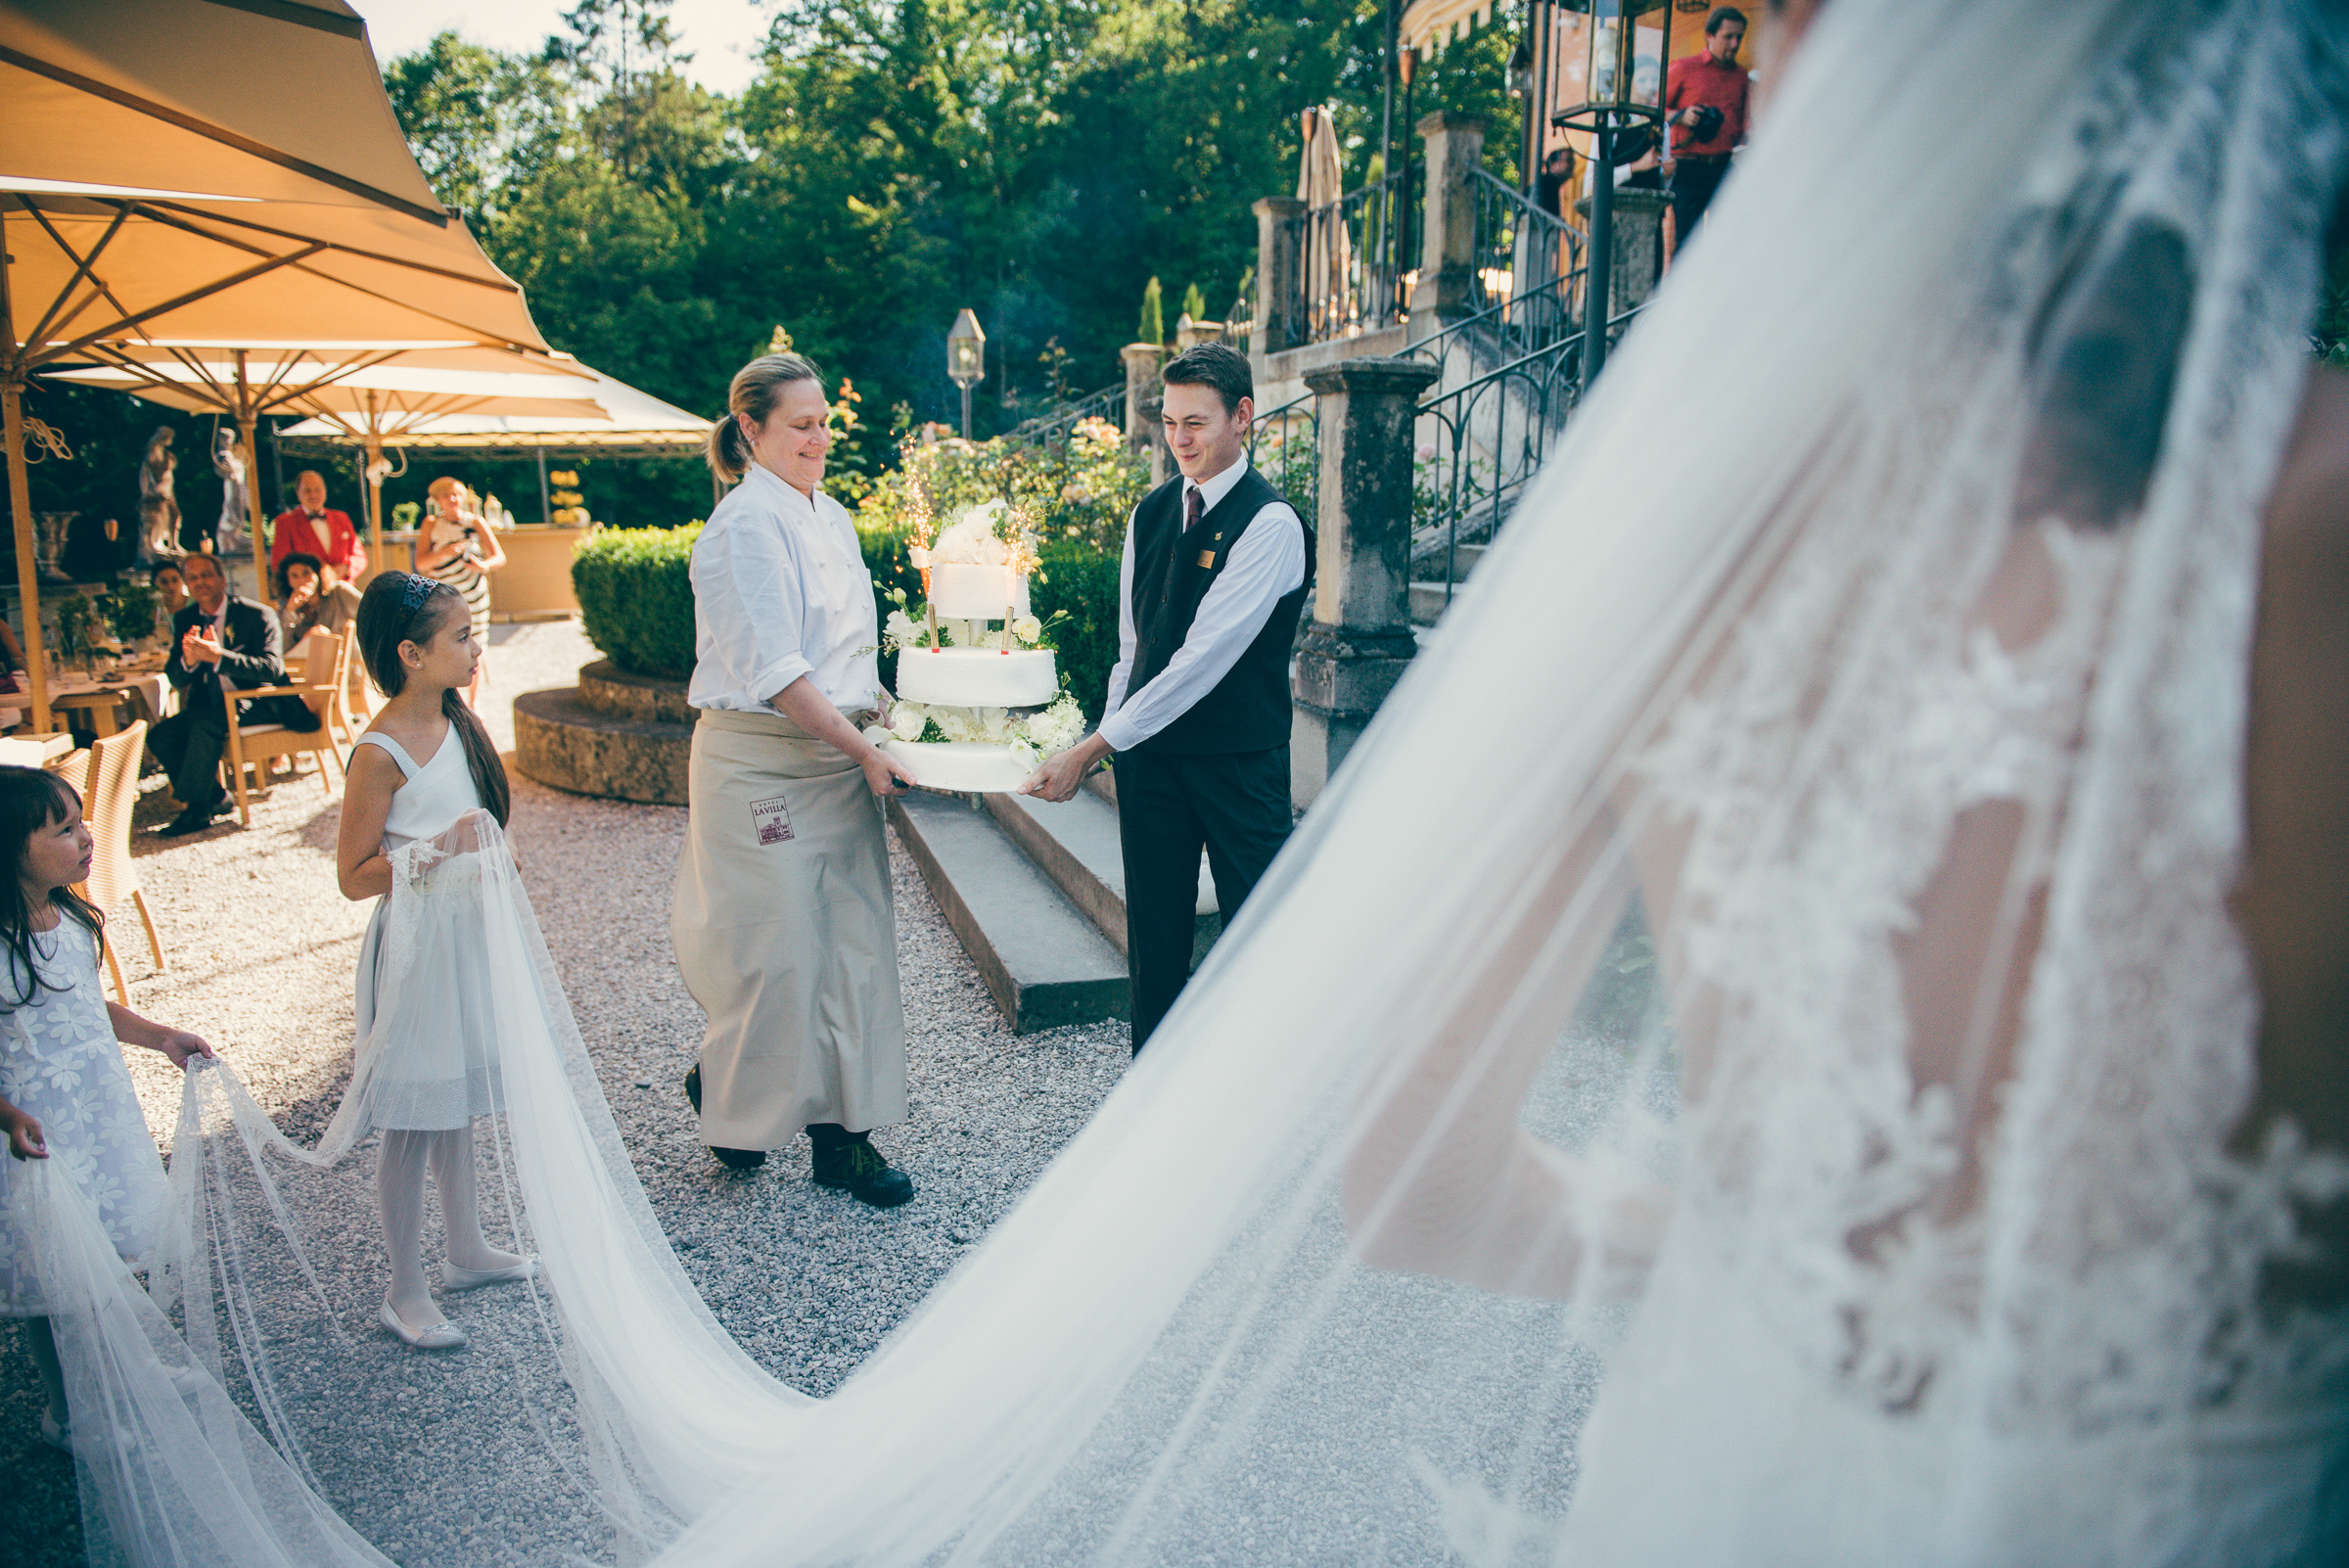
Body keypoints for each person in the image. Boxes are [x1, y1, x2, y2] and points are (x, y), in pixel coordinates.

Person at [670, 351, 916, 1203]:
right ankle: (728, 1091)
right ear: (751, 429)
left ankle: (845, 1142)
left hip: (837, 754)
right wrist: (863, 751)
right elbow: (777, 672)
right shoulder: (742, 526)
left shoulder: (834, 517)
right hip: (760, 765)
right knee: (779, 956)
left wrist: (895, 715)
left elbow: (844, 657)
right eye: (801, 425)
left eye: (824, 423)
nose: (819, 438)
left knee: (852, 949)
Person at [1023, 342, 1312, 1051]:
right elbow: (1135, 651)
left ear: (1242, 417)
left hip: (1238, 765)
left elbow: (1197, 664)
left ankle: (1257, 1085)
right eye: (1169, 421)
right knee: (1154, 942)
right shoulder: (1149, 514)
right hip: (1151, 767)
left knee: (1259, 931)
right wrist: (1111, 738)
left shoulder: (1271, 524)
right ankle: (1150, 1095)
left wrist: (1093, 747)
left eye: (1196, 423)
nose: (1178, 439)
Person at [335, 572, 533, 1349]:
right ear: (411, 653)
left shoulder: (459, 722)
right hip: (415, 948)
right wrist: (436, 850)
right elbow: (353, 877)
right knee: (414, 1118)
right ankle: (403, 1289)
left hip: (464, 936)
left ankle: (466, 1247)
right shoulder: (379, 751)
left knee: (453, 1099)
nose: (476, 647)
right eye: (461, 636)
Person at [0, 766, 214, 1450]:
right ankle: (69, 1412)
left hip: (96, 1113)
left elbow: (89, 1005)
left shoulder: (69, 915)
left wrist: (158, 1037)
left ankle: (130, 1362)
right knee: (56, 1275)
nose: (86, 837)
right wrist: (8, 1116)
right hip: (36, 1131)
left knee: (114, 1249)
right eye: (63, 829)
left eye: (81, 820)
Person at [145, 550, 318, 836]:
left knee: (204, 725)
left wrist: (219, 657)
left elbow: (272, 669)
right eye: (193, 577)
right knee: (160, 735)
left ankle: (197, 810)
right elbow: (175, 677)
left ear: (222, 578)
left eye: (206, 574)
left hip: (258, 701)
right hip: (211, 704)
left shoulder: (256, 614)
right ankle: (217, 798)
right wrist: (189, 660)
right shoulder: (186, 618)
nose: (200, 582)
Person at [1663, 6, 1749, 243]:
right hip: (1688, 167)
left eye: (1738, 37)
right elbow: (1653, 110)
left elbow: (1744, 122)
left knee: (1731, 239)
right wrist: (1681, 115)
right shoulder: (1683, 67)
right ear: (1709, 36)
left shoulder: (1741, 76)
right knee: (1688, 243)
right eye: (1728, 37)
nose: (1734, 44)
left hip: (1723, 166)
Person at [417, 476, 505, 708]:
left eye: (456, 494)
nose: (453, 499)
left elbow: (499, 556)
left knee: (474, 645)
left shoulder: (475, 522)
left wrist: (483, 565)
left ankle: (472, 704)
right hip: (445, 597)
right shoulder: (431, 524)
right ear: (438, 500)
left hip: (474, 595)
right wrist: (444, 553)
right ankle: (452, 701)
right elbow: (421, 563)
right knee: (447, 646)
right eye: (447, 496)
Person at [269, 469, 367, 584]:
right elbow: (279, 565)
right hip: (308, 593)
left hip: (343, 590)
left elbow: (360, 557)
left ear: (325, 491)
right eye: (307, 491)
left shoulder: (342, 519)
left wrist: (346, 567)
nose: (313, 495)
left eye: (317, 490)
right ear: (298, 494)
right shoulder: (285, 523)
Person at [276, 550, 361, 651]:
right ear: (287, 581)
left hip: (347, 660)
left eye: (306, 573)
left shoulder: (339, 592)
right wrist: (290, 611)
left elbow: (372, 612)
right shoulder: (286, 609)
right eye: (294, 576)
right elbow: (282, 649)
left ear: (318, 574)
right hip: (309, 664)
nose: (302, 581)